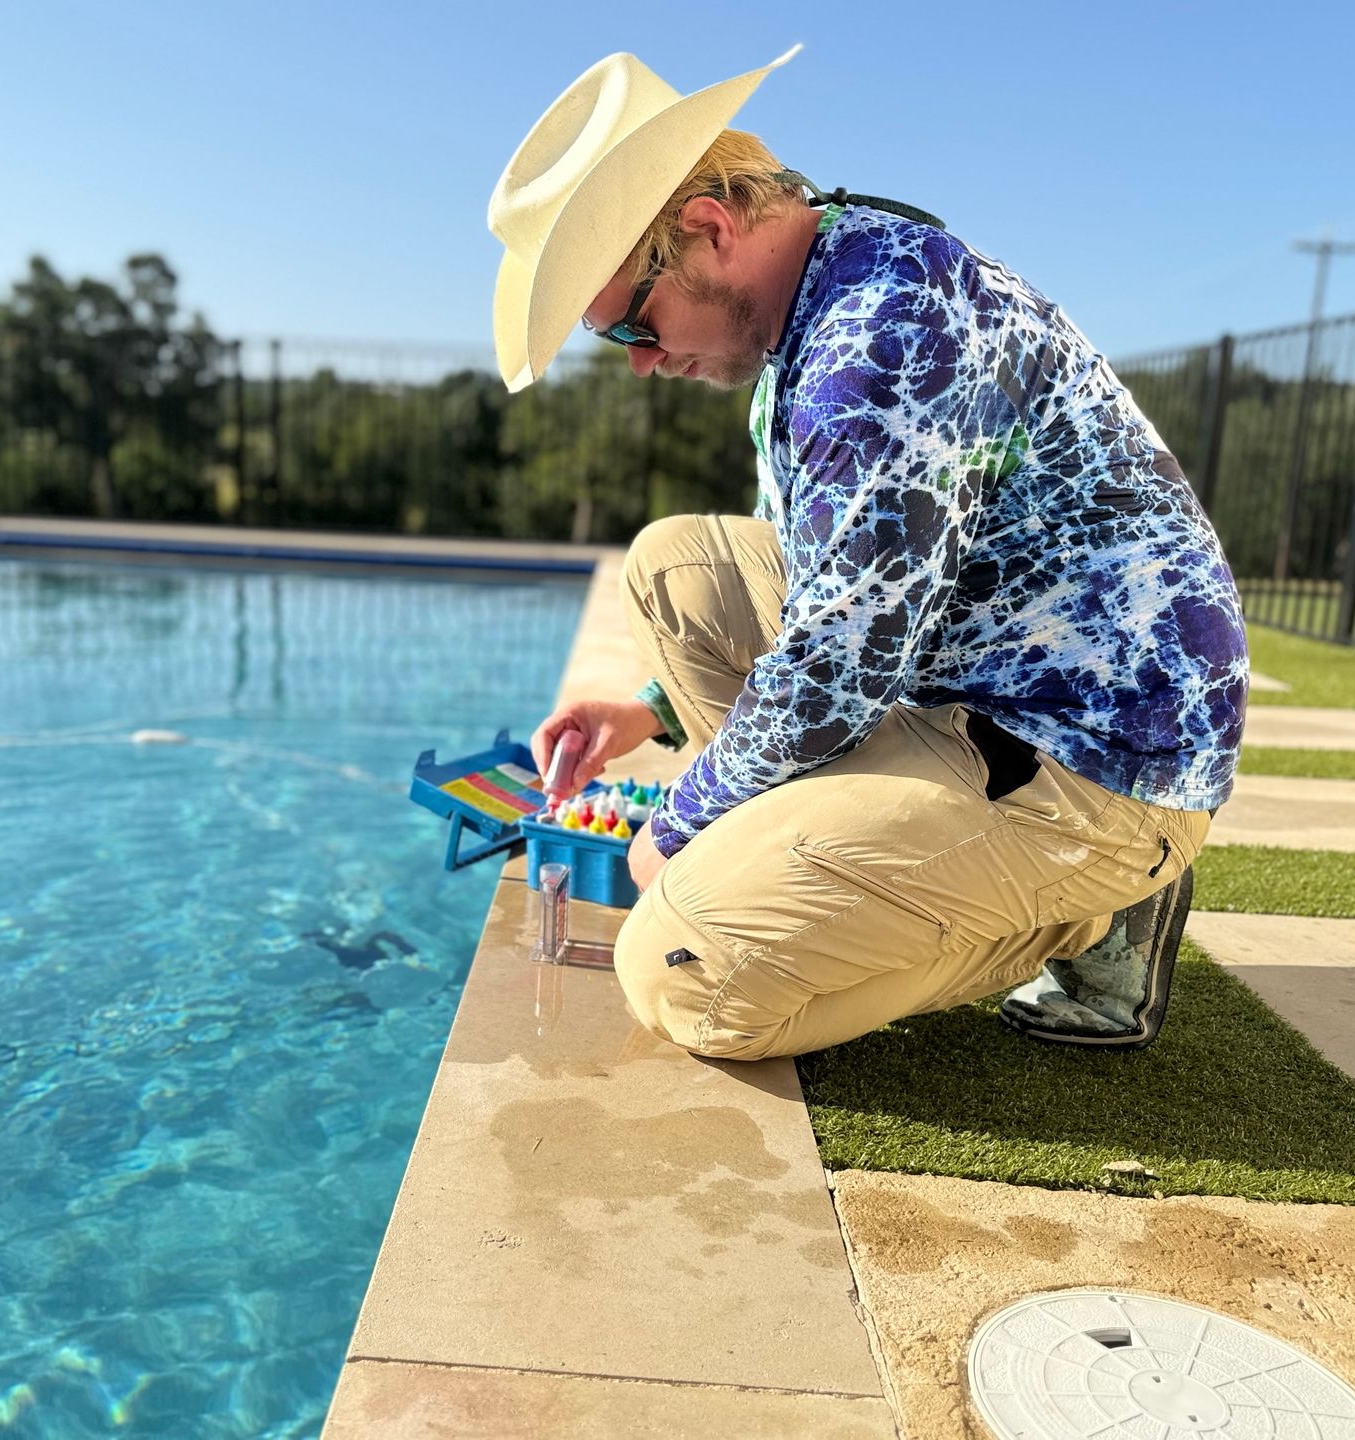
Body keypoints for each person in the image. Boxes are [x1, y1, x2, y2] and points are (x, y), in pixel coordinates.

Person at [489, 45, 1248, 1061]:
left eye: (633, 327)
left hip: (1091, 755)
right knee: (676, 568)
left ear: (708, 231)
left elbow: (843, 656)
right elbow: (825, 600)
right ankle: (838, 863)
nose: (641, 366)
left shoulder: (875, 341)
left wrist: (681, 822)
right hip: (977, 677)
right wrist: (646, 713)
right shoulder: (816, 305)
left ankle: (1094, 916)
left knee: (686, 972)